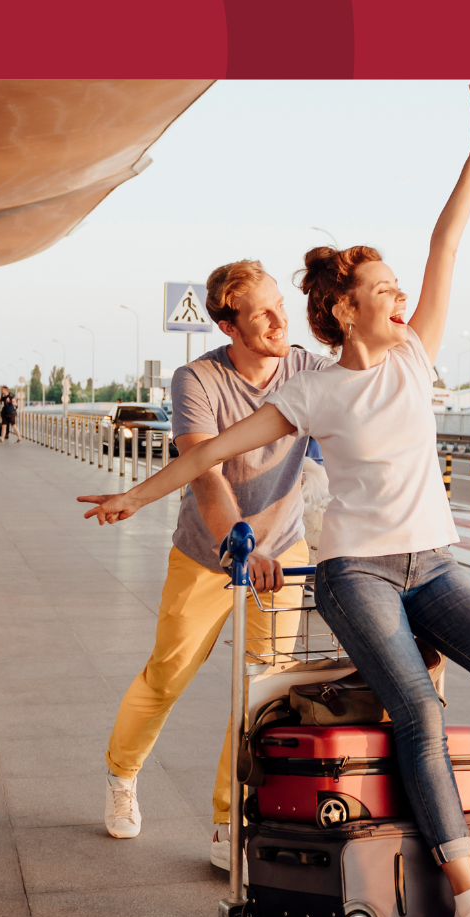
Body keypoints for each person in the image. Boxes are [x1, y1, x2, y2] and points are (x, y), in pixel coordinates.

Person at [78, 88, 470, 917]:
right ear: (347, 310)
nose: (399, 297)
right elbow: (208, 459)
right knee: (401, 707)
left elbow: (445, 241)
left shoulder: (414, 353)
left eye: (395, 289)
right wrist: (134, 496)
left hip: (424, 559)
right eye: (383, 291)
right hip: (334, 566)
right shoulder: (301, 388)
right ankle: (465, 895)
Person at [77, 261, 331, 861]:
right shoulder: (199, 380)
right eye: (262, 313)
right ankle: (122, 773)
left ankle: (229, 820)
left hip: (283, 553)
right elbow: (206, 475)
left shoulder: (307, 370)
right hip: (210, 555)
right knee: (168, 674)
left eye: (280, 306)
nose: (279, 320)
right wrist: (240, 545)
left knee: (263, 688)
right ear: (227, 324)